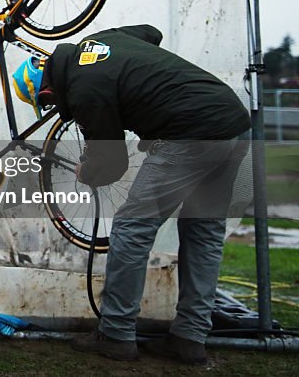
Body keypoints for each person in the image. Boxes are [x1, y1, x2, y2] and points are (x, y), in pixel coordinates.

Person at [14, 24, 250, 365]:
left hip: (190, 134)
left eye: (49, 103)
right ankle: (189, 339)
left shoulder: (84, 90)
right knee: (204, 232)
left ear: (48, 91)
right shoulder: (102, 42)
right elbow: (150, 33)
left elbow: (112, 165)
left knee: (131, 228)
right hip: (232, 123)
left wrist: (88, 171)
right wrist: (147, 94)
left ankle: (116, 334)